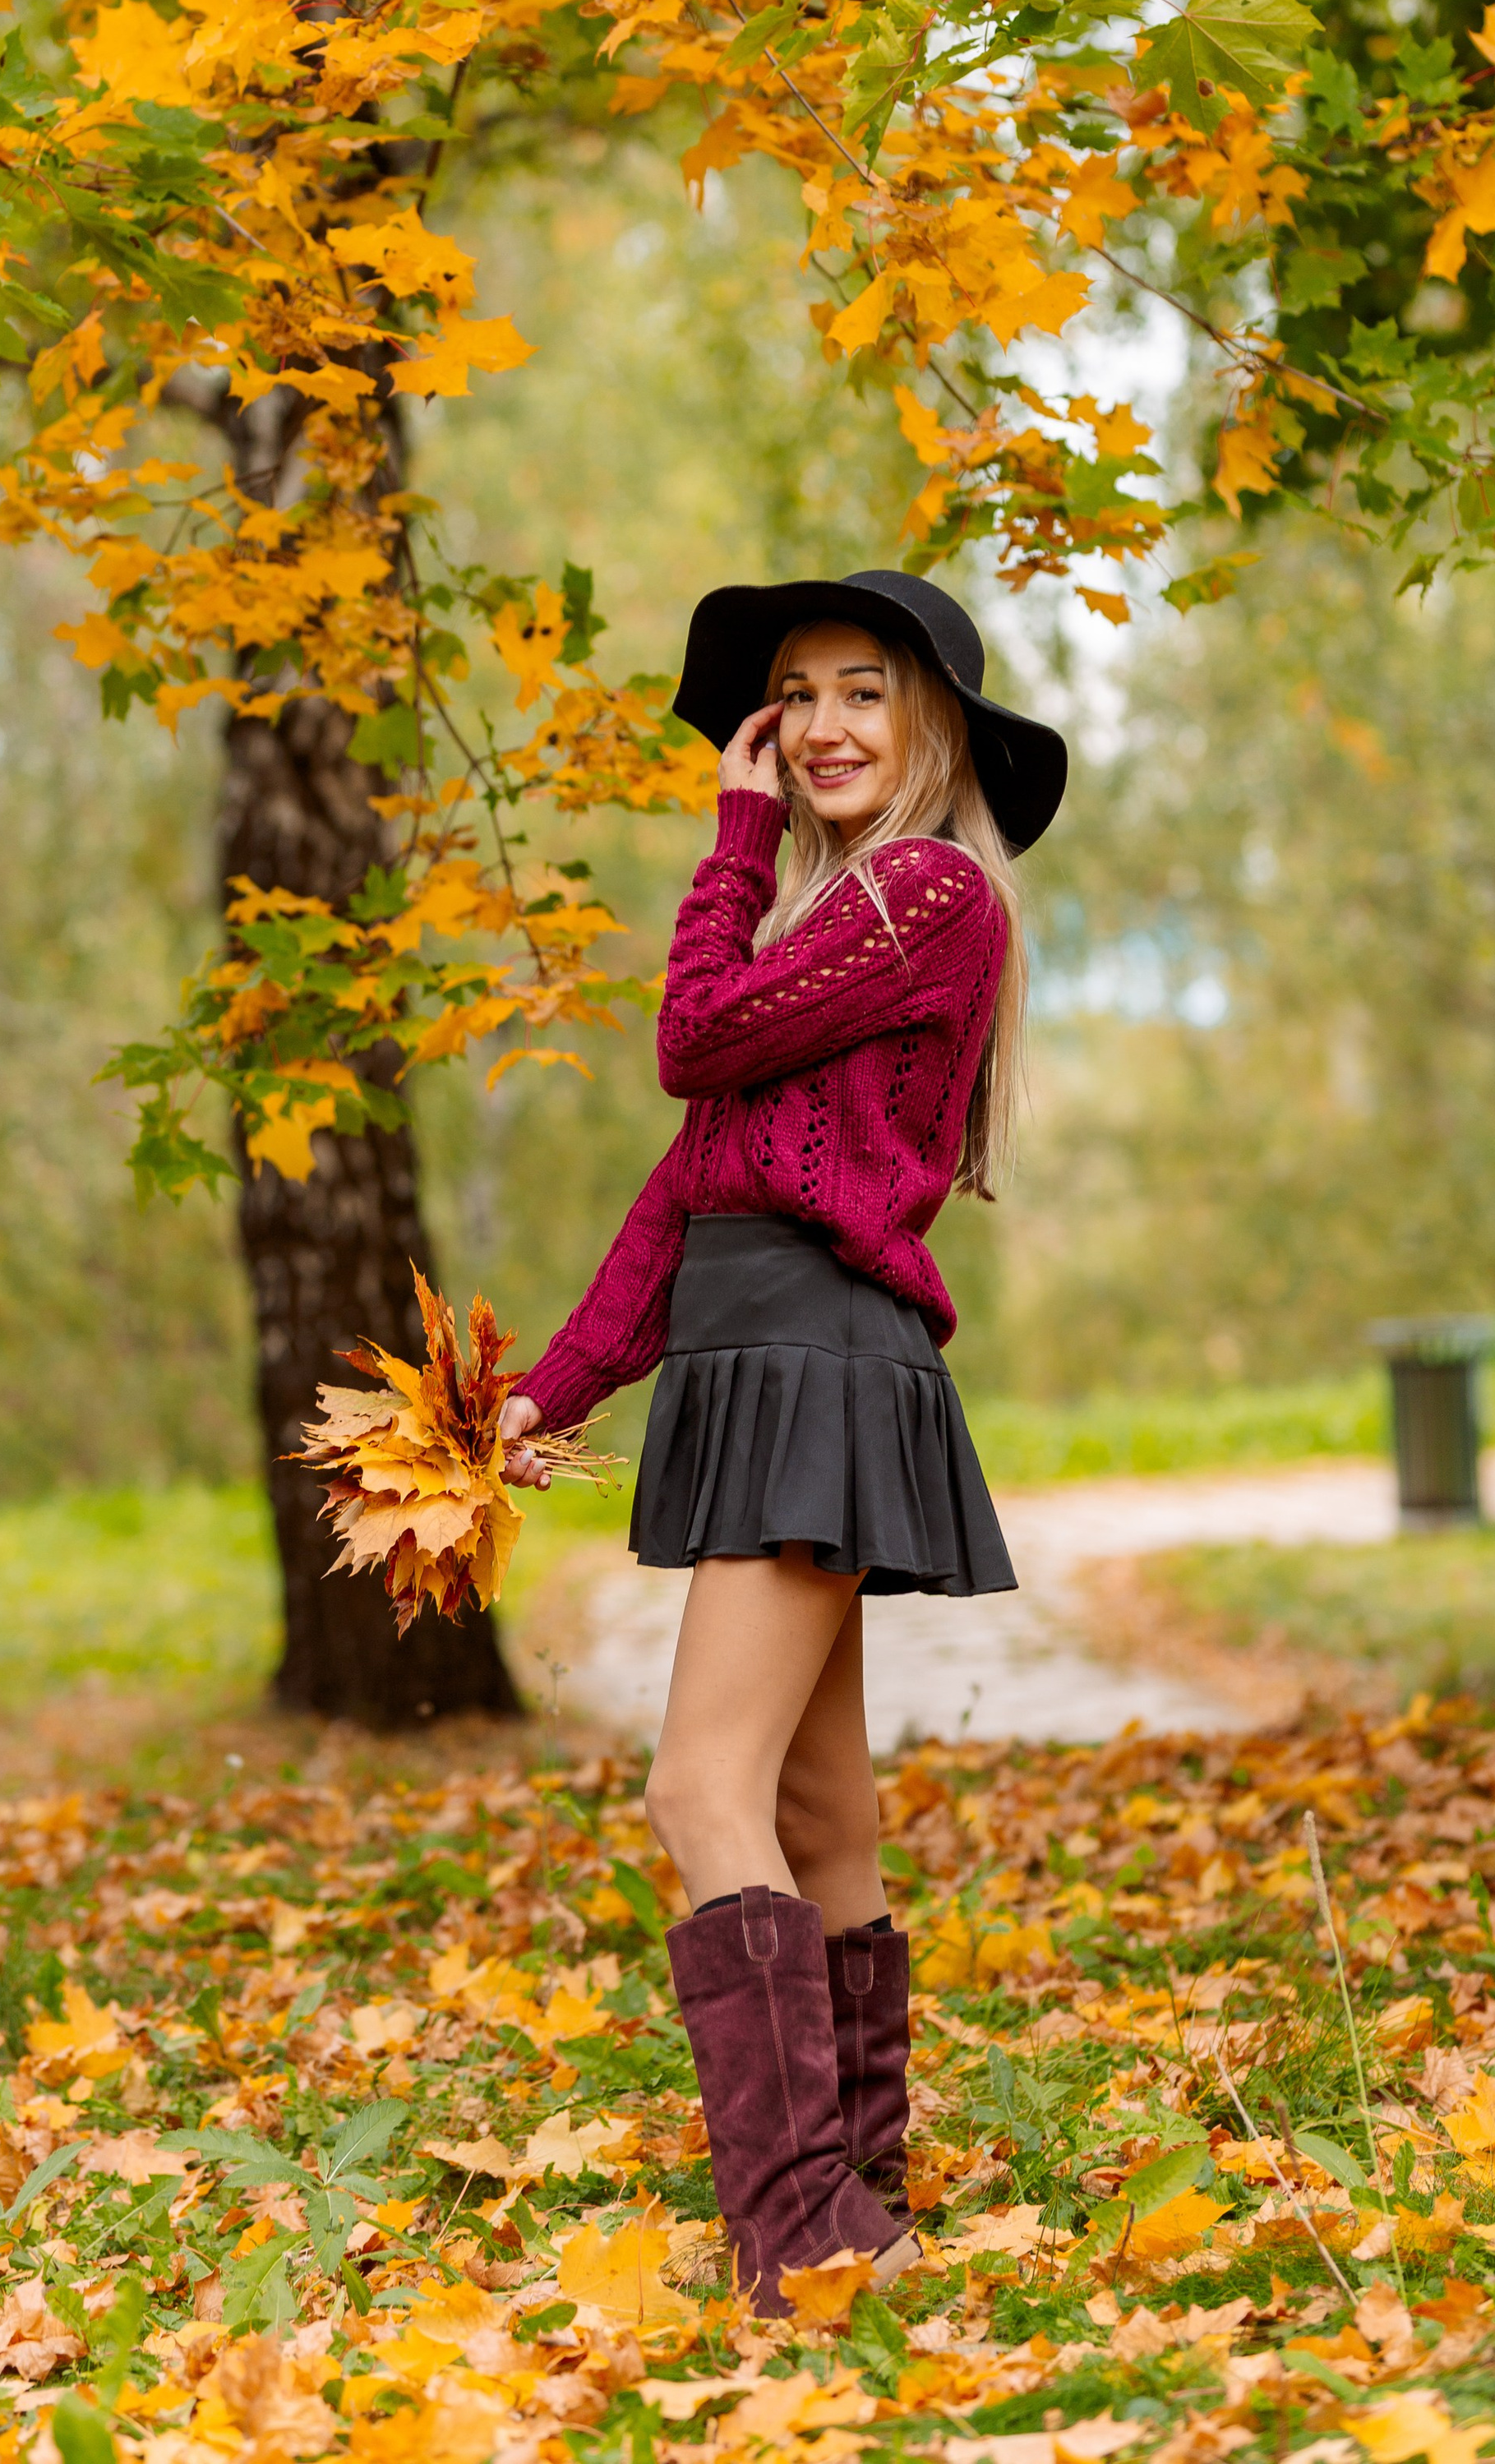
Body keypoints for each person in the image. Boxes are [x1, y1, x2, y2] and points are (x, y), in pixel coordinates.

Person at [496, 568, 1066, 2311]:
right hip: (765, 1354)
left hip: (816, 1359)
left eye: (862, 691)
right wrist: (548, 1390)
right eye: (794, 696)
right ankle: (859, 2195)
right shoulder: (831, 935)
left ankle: (810, 2230)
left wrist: (730, 843)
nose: (819, 726)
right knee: (817, 1810)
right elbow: (689, 1191)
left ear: (933, 728)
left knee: (698, 1787)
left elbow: (687, 1043)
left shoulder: (926, 893)